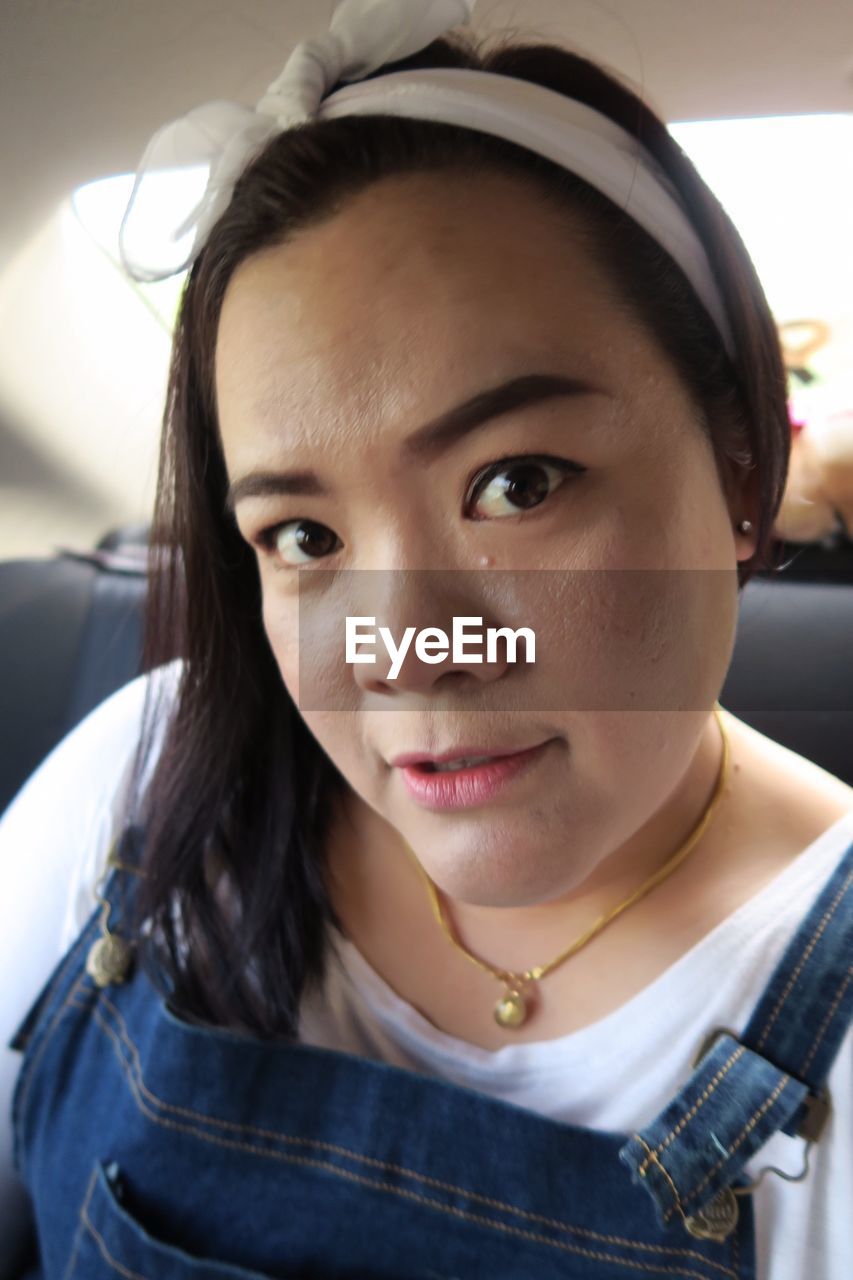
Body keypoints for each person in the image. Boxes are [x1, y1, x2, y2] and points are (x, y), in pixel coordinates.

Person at [1, 1, 851, 1276]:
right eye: (303, 537)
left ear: (741, 456)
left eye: (516, 483)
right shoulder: (148, 769)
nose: (408, 652)